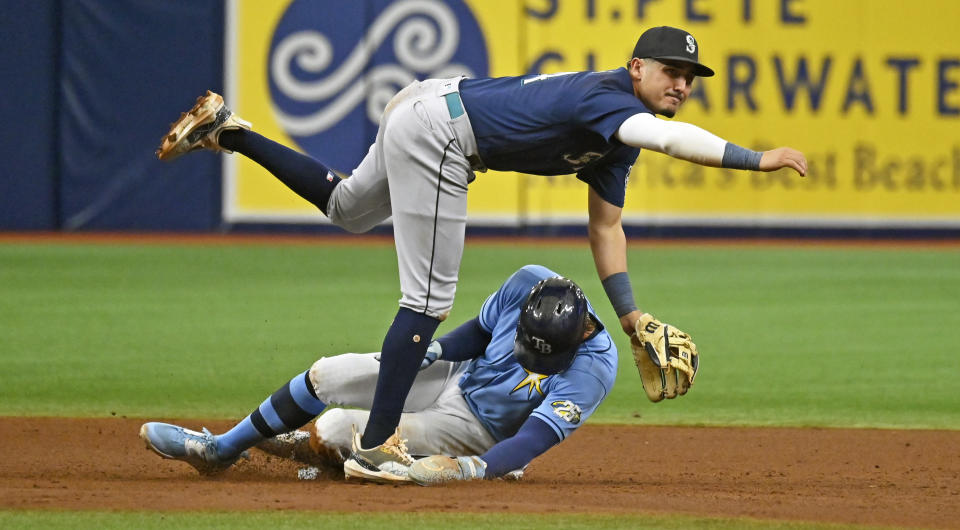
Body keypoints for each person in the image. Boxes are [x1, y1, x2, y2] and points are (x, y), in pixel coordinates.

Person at [156, 25, 806, 480]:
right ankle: (379, 445)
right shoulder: (611, 102)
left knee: (350, 208)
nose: (682, 84)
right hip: (444, 132)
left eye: (691, 77)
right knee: (428, 300)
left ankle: (229, 131)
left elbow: (606, 229)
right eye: (673, 72)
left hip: (429, 103)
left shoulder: (616, 140)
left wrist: (632, 317)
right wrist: (758, 159)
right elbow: (670, 139)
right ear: (637, 68)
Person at [139, 264, 616, 483]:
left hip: (479, 430)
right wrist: (436, 349)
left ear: (577, 335)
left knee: (331, 429)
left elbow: (534, 438)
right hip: (455, 373)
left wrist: (475, 468)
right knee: (330, 374)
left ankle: (306, 445)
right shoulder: (526, 282)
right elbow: (480, 331)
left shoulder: (594, 368)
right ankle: (221, 449)